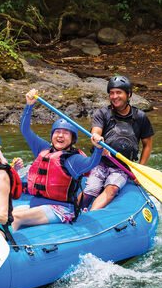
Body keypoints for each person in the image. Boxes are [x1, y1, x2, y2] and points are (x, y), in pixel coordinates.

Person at [10, 89, 102, 230]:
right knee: (7, 214)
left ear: (72, 140)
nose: (60, 136)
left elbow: (92, 163)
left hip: (61, 209)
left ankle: (11, 249)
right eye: (57, 132)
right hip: (37, 205)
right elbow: (25, 130)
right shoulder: (44, 149)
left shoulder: (74, 159)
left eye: (65, 133)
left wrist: (97, 148)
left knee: (15, 218)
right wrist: (29, 105)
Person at [85, 75, 154, 211]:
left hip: (122, 167)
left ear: (128, 94)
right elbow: (95, 133)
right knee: (90, 190)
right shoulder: (103, 113)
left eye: (118, 92)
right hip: (100, 162)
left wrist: (140, 171)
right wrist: (98, 141)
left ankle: (90, 215)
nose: (114, 96)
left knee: (111, 190)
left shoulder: (140, 117)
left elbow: (147, 145)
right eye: (111, 93)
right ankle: (72, 212)